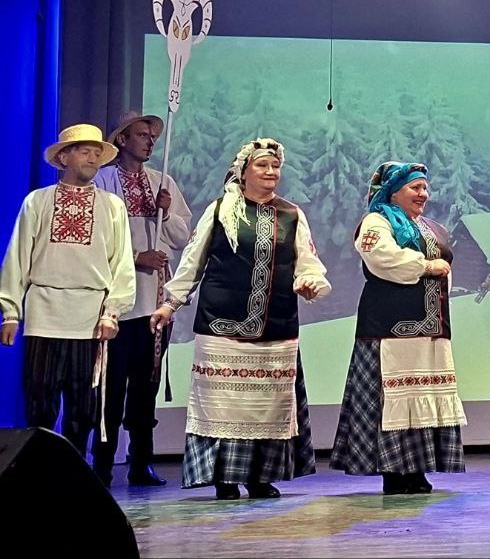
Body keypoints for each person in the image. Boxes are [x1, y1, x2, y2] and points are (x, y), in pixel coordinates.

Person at [151, 138, 330, 500]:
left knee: (267, 407)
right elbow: (194, 260)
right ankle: (224, 478)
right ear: (243, 172)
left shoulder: (291, 214)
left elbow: (307, 263)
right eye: (262, 165)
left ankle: (261, 477)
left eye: (275, 166)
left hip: (275, 324)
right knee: (223, 405)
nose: (270, 172)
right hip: (222, 323)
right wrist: (170, 303)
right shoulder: (221, 210)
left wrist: (310, 283)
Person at [330, 161, 467, 495]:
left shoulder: (430, 227)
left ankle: (417, 466)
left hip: (430, 327)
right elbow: (383, 258)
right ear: (394, 191)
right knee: (392, 396)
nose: (423, 194)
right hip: (388, 327)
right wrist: (426, 266)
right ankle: (393, 470)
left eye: (425, 188)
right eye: (415, 187)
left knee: (423, 394)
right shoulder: (377, 221)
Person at [0, 124, 134, 458]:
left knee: (83, 408)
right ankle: (39, 472)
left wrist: (112, 311)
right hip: (44, 312)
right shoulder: (38, 201)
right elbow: (18, 256)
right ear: (64, 157)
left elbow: (121, 262)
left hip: (90, 316)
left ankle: (72, 475)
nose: (92, 158)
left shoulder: (112, 205)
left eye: (97, 153)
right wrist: (11, 311)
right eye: (85, 151)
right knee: (40, 402)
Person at [91, 110, 192, 486]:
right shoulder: (102, 181)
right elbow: (97, 239)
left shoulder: (162, 182)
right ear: (122, 139)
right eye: (142, 135)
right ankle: (102, 463)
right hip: (116, 306)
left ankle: (140, 461)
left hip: (154, 304)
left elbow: (182, 237)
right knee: (111, 388)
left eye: (152, 136)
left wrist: (166, 212)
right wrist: (136, 257)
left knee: (146, 387)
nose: (150, 142)